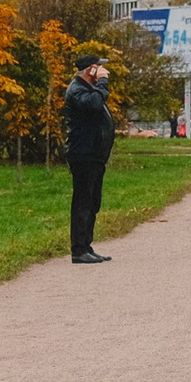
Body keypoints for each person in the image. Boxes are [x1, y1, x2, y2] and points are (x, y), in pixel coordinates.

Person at [63, 56, 115, 265]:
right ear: (90, 70)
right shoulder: (77, 89)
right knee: (83, 202)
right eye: (99, 67)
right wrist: (102, 83)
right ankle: (78, 250)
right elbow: (93, 105)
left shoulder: (88, 89)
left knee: (93, 202)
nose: (103, 71)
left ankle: (86, 245)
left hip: (94, 154)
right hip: (83, 153)